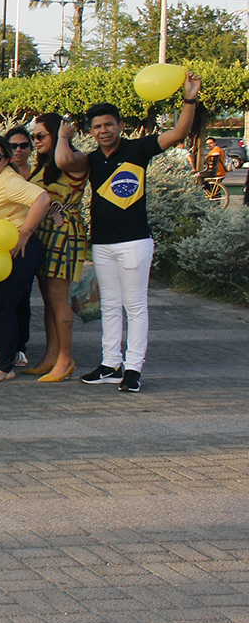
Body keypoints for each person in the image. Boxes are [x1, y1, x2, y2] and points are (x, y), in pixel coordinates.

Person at [79, 75, 200, 392]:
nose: (103, 131)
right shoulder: (91, 159)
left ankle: (133, 369)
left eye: (108, 124)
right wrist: (63, 136)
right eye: (97, 127)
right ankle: (110, 364)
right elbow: (63, 164)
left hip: (134, 241)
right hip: (102, 244)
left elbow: (179, 132)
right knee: (109, 305)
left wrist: (189, 99)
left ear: (119, 125)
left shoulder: (138, 149)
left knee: (135, 307)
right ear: (90, 132)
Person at [0, 135, 50, 383]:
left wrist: (25, 233)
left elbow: (42, 198)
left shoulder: (10, 181)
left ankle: (5, 366)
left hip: (16, 249)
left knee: (3, 307)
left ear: (7, 159)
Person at [23, 113, 89, 382]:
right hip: (45, 231)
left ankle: (66, 359)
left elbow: (63, 159)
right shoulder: (43, 165)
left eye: (41, 136)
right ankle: (52, 355)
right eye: (33, 137)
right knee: (48, 298)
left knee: (59, 297)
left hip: (65, 231)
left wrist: (64, 136)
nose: (35, 141)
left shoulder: (75, 158)